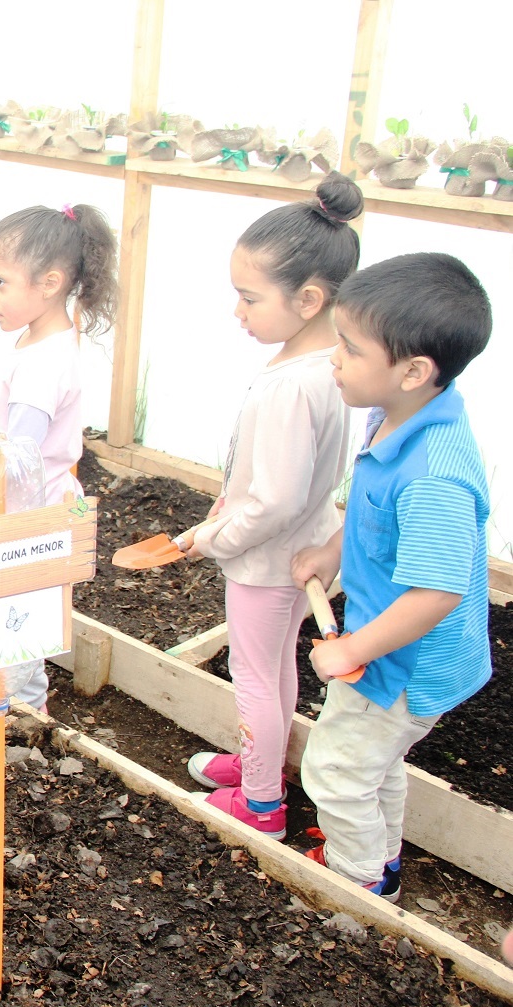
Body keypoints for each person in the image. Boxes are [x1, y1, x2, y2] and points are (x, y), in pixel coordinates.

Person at [292, 252, 493, 902]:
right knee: (375, 763)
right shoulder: (400, 414)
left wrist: (352, 647)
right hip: (389, 648)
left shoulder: (435, 475)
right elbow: (369, 505)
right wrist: (332, 551)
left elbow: (437, 592)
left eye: (349, 349)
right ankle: (383, 857)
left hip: (403, 664)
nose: (333, 359)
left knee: (335, 769)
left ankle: (358, 891)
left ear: (413, 370)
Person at [178, 172, 361, 839]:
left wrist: (215, 536)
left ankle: (261, 803)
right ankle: (263, 766)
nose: (238, 312)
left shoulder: (289, 387)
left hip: (266, 560)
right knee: (275, 666)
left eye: (250, 298)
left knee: (254, 673)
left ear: (309, 298)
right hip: (307, 550)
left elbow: (275, 496)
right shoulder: (337, 366)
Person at [0, 201, 120, 709]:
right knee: (27, 616)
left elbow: (11, 464)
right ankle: (30, 705)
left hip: (25, 517)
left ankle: (21, 709)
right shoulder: (47, 341)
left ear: (48, 282)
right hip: (45, 503)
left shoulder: (42, 365)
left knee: (11, 617)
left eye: (0, 282)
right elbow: (26, 433)